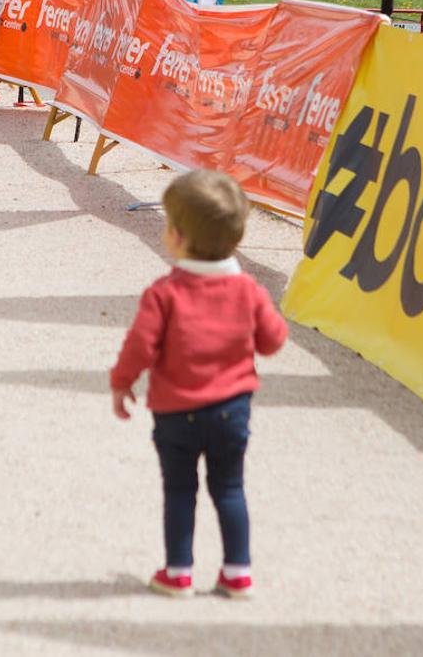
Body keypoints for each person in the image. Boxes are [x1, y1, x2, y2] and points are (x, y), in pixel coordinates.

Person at [109, 170, 288, 599]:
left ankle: (178, 571)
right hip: (232, 410)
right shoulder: (248, 290)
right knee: (229, 488)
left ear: (177, 236)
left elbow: (140, 346)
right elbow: (273, 340)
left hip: (176, 412)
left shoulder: (165, 293)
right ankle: (238, 572)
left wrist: (122, 383)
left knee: (179, 491)